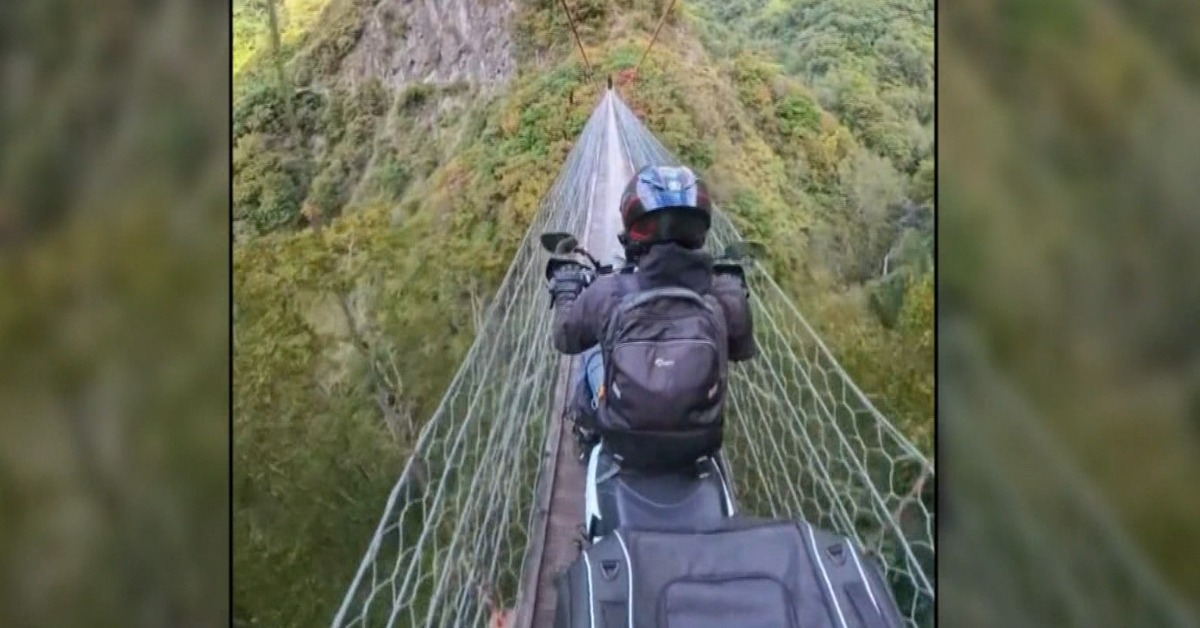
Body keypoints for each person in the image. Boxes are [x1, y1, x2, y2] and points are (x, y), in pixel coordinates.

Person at [545, 165, 756, 469]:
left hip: (623, 443)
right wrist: (731, 284)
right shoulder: (719, 297)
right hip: (700, 444)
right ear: (700, 229)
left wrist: (566, 287)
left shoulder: (608, 294)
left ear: (633, 230)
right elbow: (742, 348)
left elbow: (565, 338)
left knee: (592, 354)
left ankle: (587, 429)